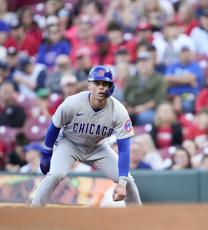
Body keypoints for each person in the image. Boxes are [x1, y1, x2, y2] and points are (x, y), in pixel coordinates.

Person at [31, 65, 142, 207]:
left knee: (128, 182)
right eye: (97, 83)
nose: (101, 87)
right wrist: (46, 152)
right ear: (89, 85)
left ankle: (138, 217)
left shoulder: (118, 111)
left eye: (105, 84)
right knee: (55, 175)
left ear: (111, 87)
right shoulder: (72, 103)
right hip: (69, 144)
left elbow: (125, 148)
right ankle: (34, 211)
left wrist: (121, 183)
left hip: (98, 147)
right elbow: (54, 127)